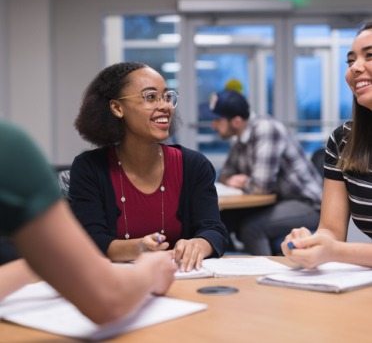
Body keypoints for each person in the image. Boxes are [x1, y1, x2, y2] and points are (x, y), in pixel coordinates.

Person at [0, 120, 176, 323]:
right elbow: (110, 299)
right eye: (150, 97)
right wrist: (152, 268)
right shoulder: (9, 148)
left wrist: (48, 263)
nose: (164, 106)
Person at [70, 62, 228, 272]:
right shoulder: (89, 168)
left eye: (166, 96)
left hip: (183, 283)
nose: (165, 106)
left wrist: (199, 244)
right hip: (117, 286)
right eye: (151, 97)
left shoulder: (193, 165)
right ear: (117, 108)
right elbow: (90, 241)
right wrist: (140, 247)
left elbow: (214, 230)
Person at [282, 21, 372, 268]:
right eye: (351, 60)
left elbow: (335, 248)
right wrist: (309, 244)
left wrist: (336, 252)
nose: (355, 68)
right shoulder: (343, 140)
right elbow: (330, 230)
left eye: (370, 55)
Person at [209, 88, 323, 255]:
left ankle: (262, 276)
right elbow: (225, 174)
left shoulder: (266, 129)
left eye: (218, 120)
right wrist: (233, 180)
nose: (213, 125)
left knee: (252, 228)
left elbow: (260, 187)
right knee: (220, 222)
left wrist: (243, 182)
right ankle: (228, 270)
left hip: (308, 204)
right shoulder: (240, 137)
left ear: (237, 121)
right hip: (278, 201)